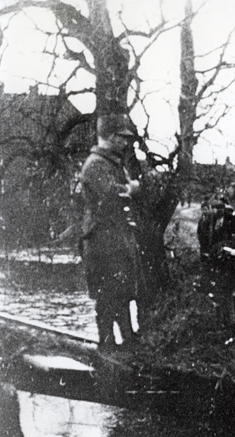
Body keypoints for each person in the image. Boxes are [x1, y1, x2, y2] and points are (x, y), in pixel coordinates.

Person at [79, 113, 144, 350]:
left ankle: (126, 339)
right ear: (109, 136)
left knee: (121, 290)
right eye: (121, 137)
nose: (125, 142)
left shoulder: (110, 162)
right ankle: (107, 344)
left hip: (113, 237)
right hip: (101, 240)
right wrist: (131, 189)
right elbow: (110, 196)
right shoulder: (96, 164)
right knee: (107, 293)